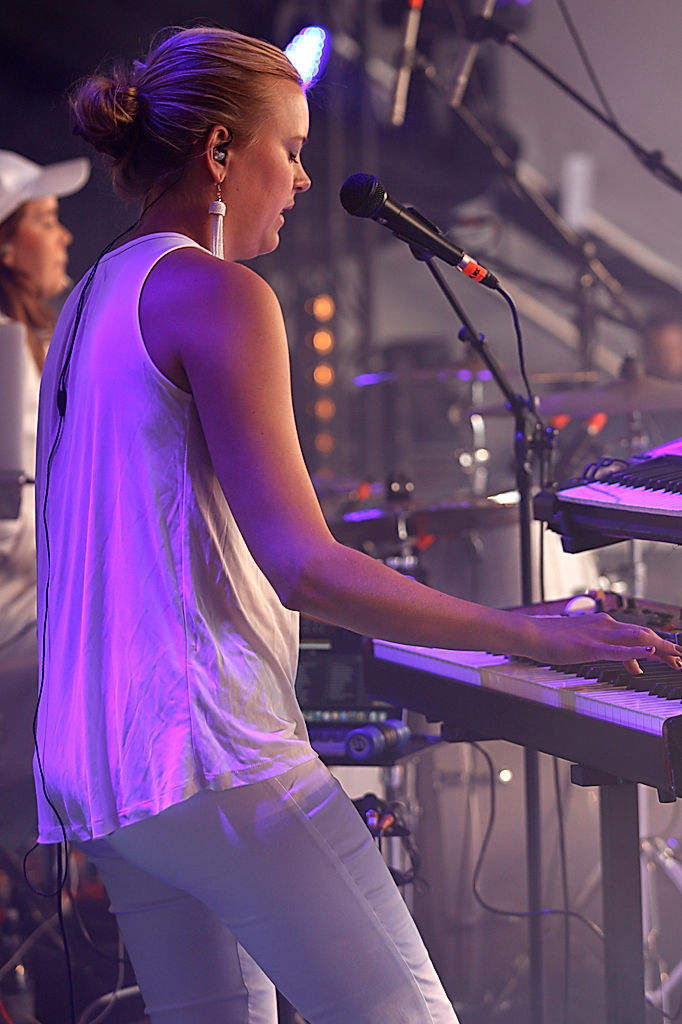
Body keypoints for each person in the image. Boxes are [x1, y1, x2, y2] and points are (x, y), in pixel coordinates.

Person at [32, 25, 682, 1024]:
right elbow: (304, 564)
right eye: (287, 149)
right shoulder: (219, 294)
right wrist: (529, 629)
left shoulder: (84, 303)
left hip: (100, 770)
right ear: (218, 153)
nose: (298, 179)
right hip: (209, 750)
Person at [0, 149, 89, 852]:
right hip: (20, 638)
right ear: (5, 243)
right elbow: (17, 526)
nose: (62, 237)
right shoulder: (5, 351)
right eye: (46, 220)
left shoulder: (31, 343)